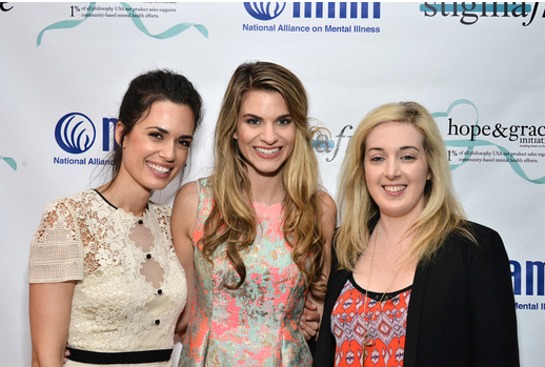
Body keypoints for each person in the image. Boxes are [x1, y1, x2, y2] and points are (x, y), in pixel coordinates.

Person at [313, 101, 519, 367]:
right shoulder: (344, 245)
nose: (391, 171)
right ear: (362, 170)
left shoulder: (474, 249)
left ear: (430, 168)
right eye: (377, 158)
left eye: (407, 156)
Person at [28, 69, 203, 367]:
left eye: (182, 142)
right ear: (121, 133)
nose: (169, 153)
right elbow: (46, 358)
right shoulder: (68, 217)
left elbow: (190, 320)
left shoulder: (171, 222)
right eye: (156, 135)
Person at [171, 61, 336, 366]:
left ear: (298, 127)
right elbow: (177, 309)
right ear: (234, 128)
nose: (269, 136)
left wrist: (311, 318)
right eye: (254, 121)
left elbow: (321, 306)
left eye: (283, 121)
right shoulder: (195, 202)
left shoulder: (320, 209)